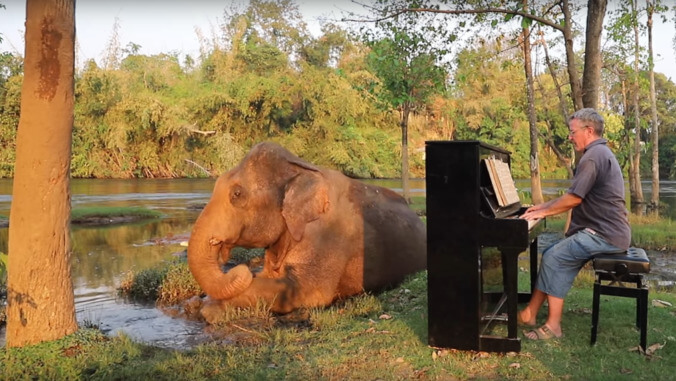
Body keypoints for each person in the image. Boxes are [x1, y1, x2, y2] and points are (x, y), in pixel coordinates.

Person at [518, 108, 631, 340]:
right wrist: (541, 208)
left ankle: (553, 326)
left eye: (572, 132)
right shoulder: (599, 153)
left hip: (604, 235)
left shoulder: (592, 157)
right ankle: (530, 313)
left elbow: (574, 199)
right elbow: (572, 194)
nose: (570, 137)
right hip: (606, 232)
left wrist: (545, 213)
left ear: (588, 131)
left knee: (554, 257)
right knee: (553, 252)